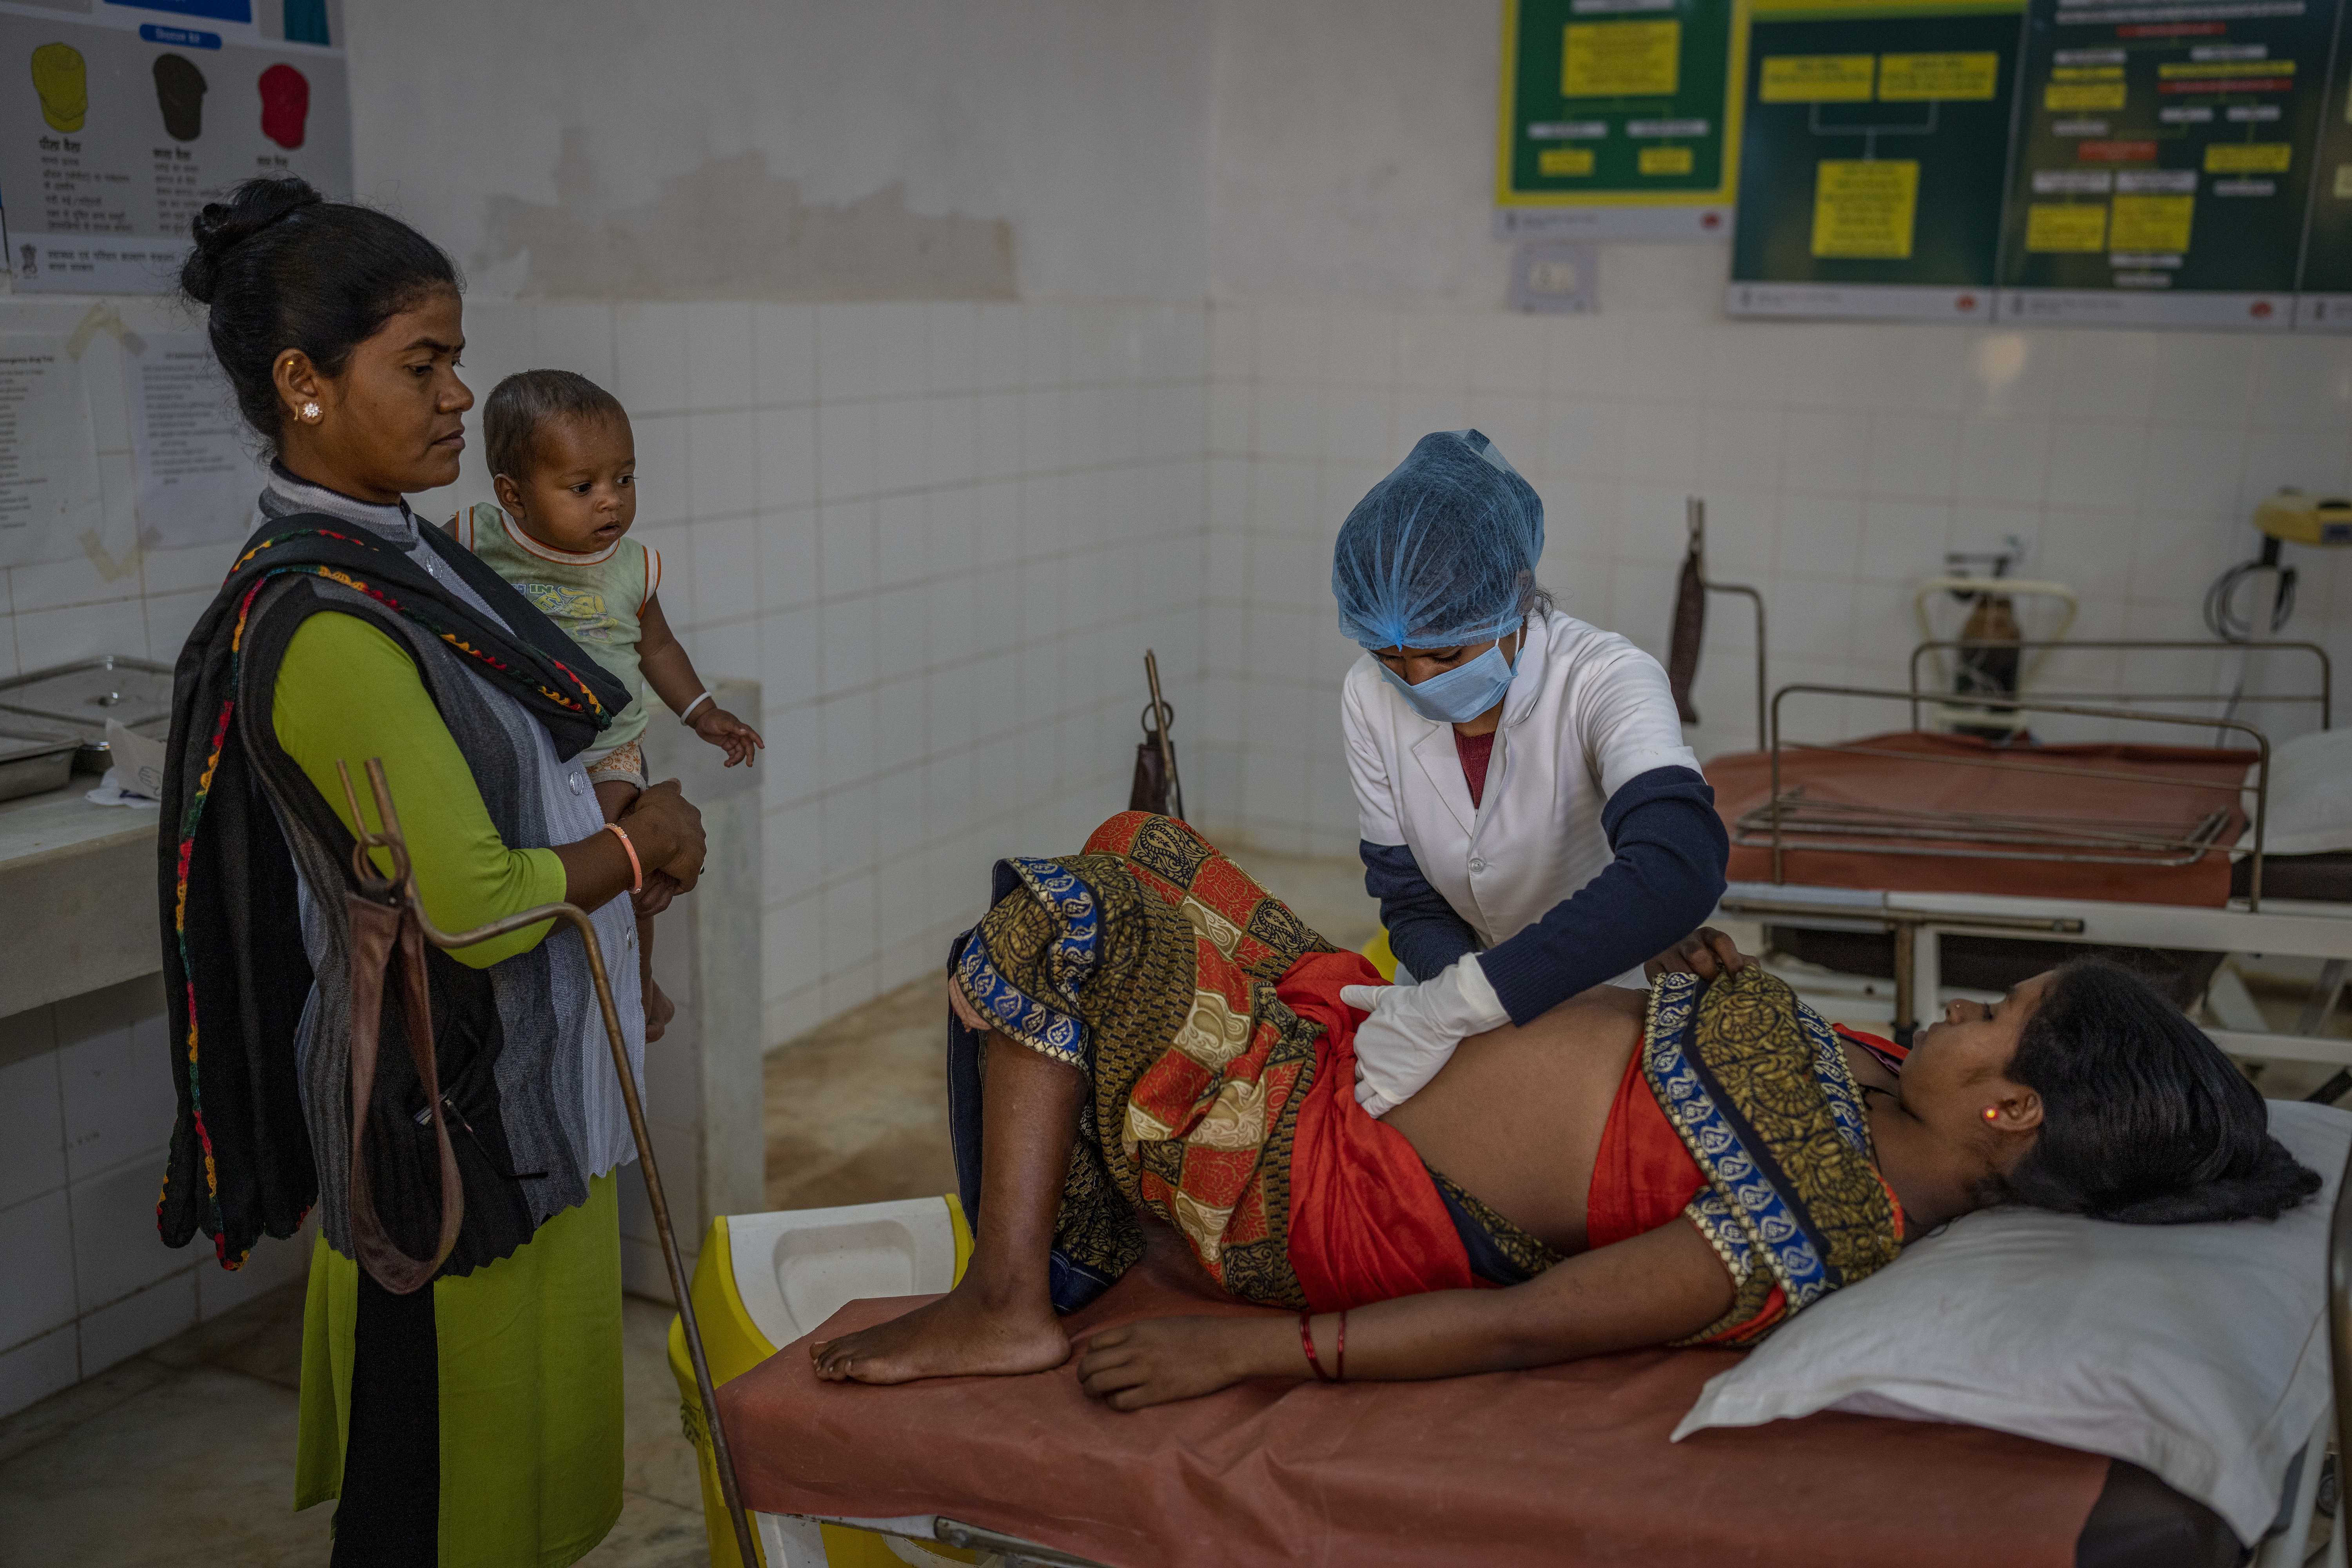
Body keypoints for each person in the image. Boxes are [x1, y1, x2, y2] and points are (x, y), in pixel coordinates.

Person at [808, 812, 2317, 1408]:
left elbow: (1534, 1325)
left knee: (1069, 921)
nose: (1963, 1013)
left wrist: (1252, 1355)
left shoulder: (1811, 1221)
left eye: (1996, 1022)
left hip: (1317, 1170)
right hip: (1363, 1050)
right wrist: (1697, 980)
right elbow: (1673, 1075)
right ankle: (1072, 1234)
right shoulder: (1880, 1080)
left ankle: (1011, 1299)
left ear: (2012, 1113)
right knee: (1151, 845)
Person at [156, 176, 704, 1568]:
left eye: (457, 358)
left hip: (522, 1094)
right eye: (422, 363)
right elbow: (473, 906)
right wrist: (636, 847)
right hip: (443, 1129)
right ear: (306, 383)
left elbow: (527, 756)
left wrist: (608, 809)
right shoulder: (328, 619)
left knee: (513, 1482)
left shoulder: (412, 560)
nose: (461, 395)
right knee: (437, 1495)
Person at [1331, 430, 1735, 1120]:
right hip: (1450, 999)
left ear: (1514, 596)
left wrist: (1475, 1000)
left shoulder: (1607, 679)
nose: (1418, 682)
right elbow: (1411, 899)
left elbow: (1679, 865)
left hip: (1604, 991)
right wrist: (1450, 1003)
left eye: (1446, 654)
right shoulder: (1367, 697)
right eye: (1392, 659)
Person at [450, 369, 764, 1040]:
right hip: (522, 748)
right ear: (513, 495)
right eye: (582, 486)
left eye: (624, 479)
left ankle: (639, 991)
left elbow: (659, 648)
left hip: (607, 748)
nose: (611, 502)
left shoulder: (631, 567)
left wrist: (703, 712)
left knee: (625, 856)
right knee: (544, 874)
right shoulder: (476, 538)